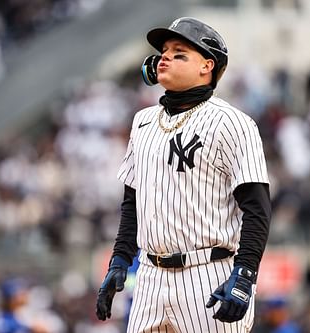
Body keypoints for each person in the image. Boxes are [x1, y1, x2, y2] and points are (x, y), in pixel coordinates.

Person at [96, 17, 271, 333]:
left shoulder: (233, 123)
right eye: (164, 50)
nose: (165, 56)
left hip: (208, 273)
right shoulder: (143, 122)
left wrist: (245, 273)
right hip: (150, 276)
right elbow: (132, 201)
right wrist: (120, 259)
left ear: (207, 66)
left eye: (179, 53)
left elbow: (257, 208)